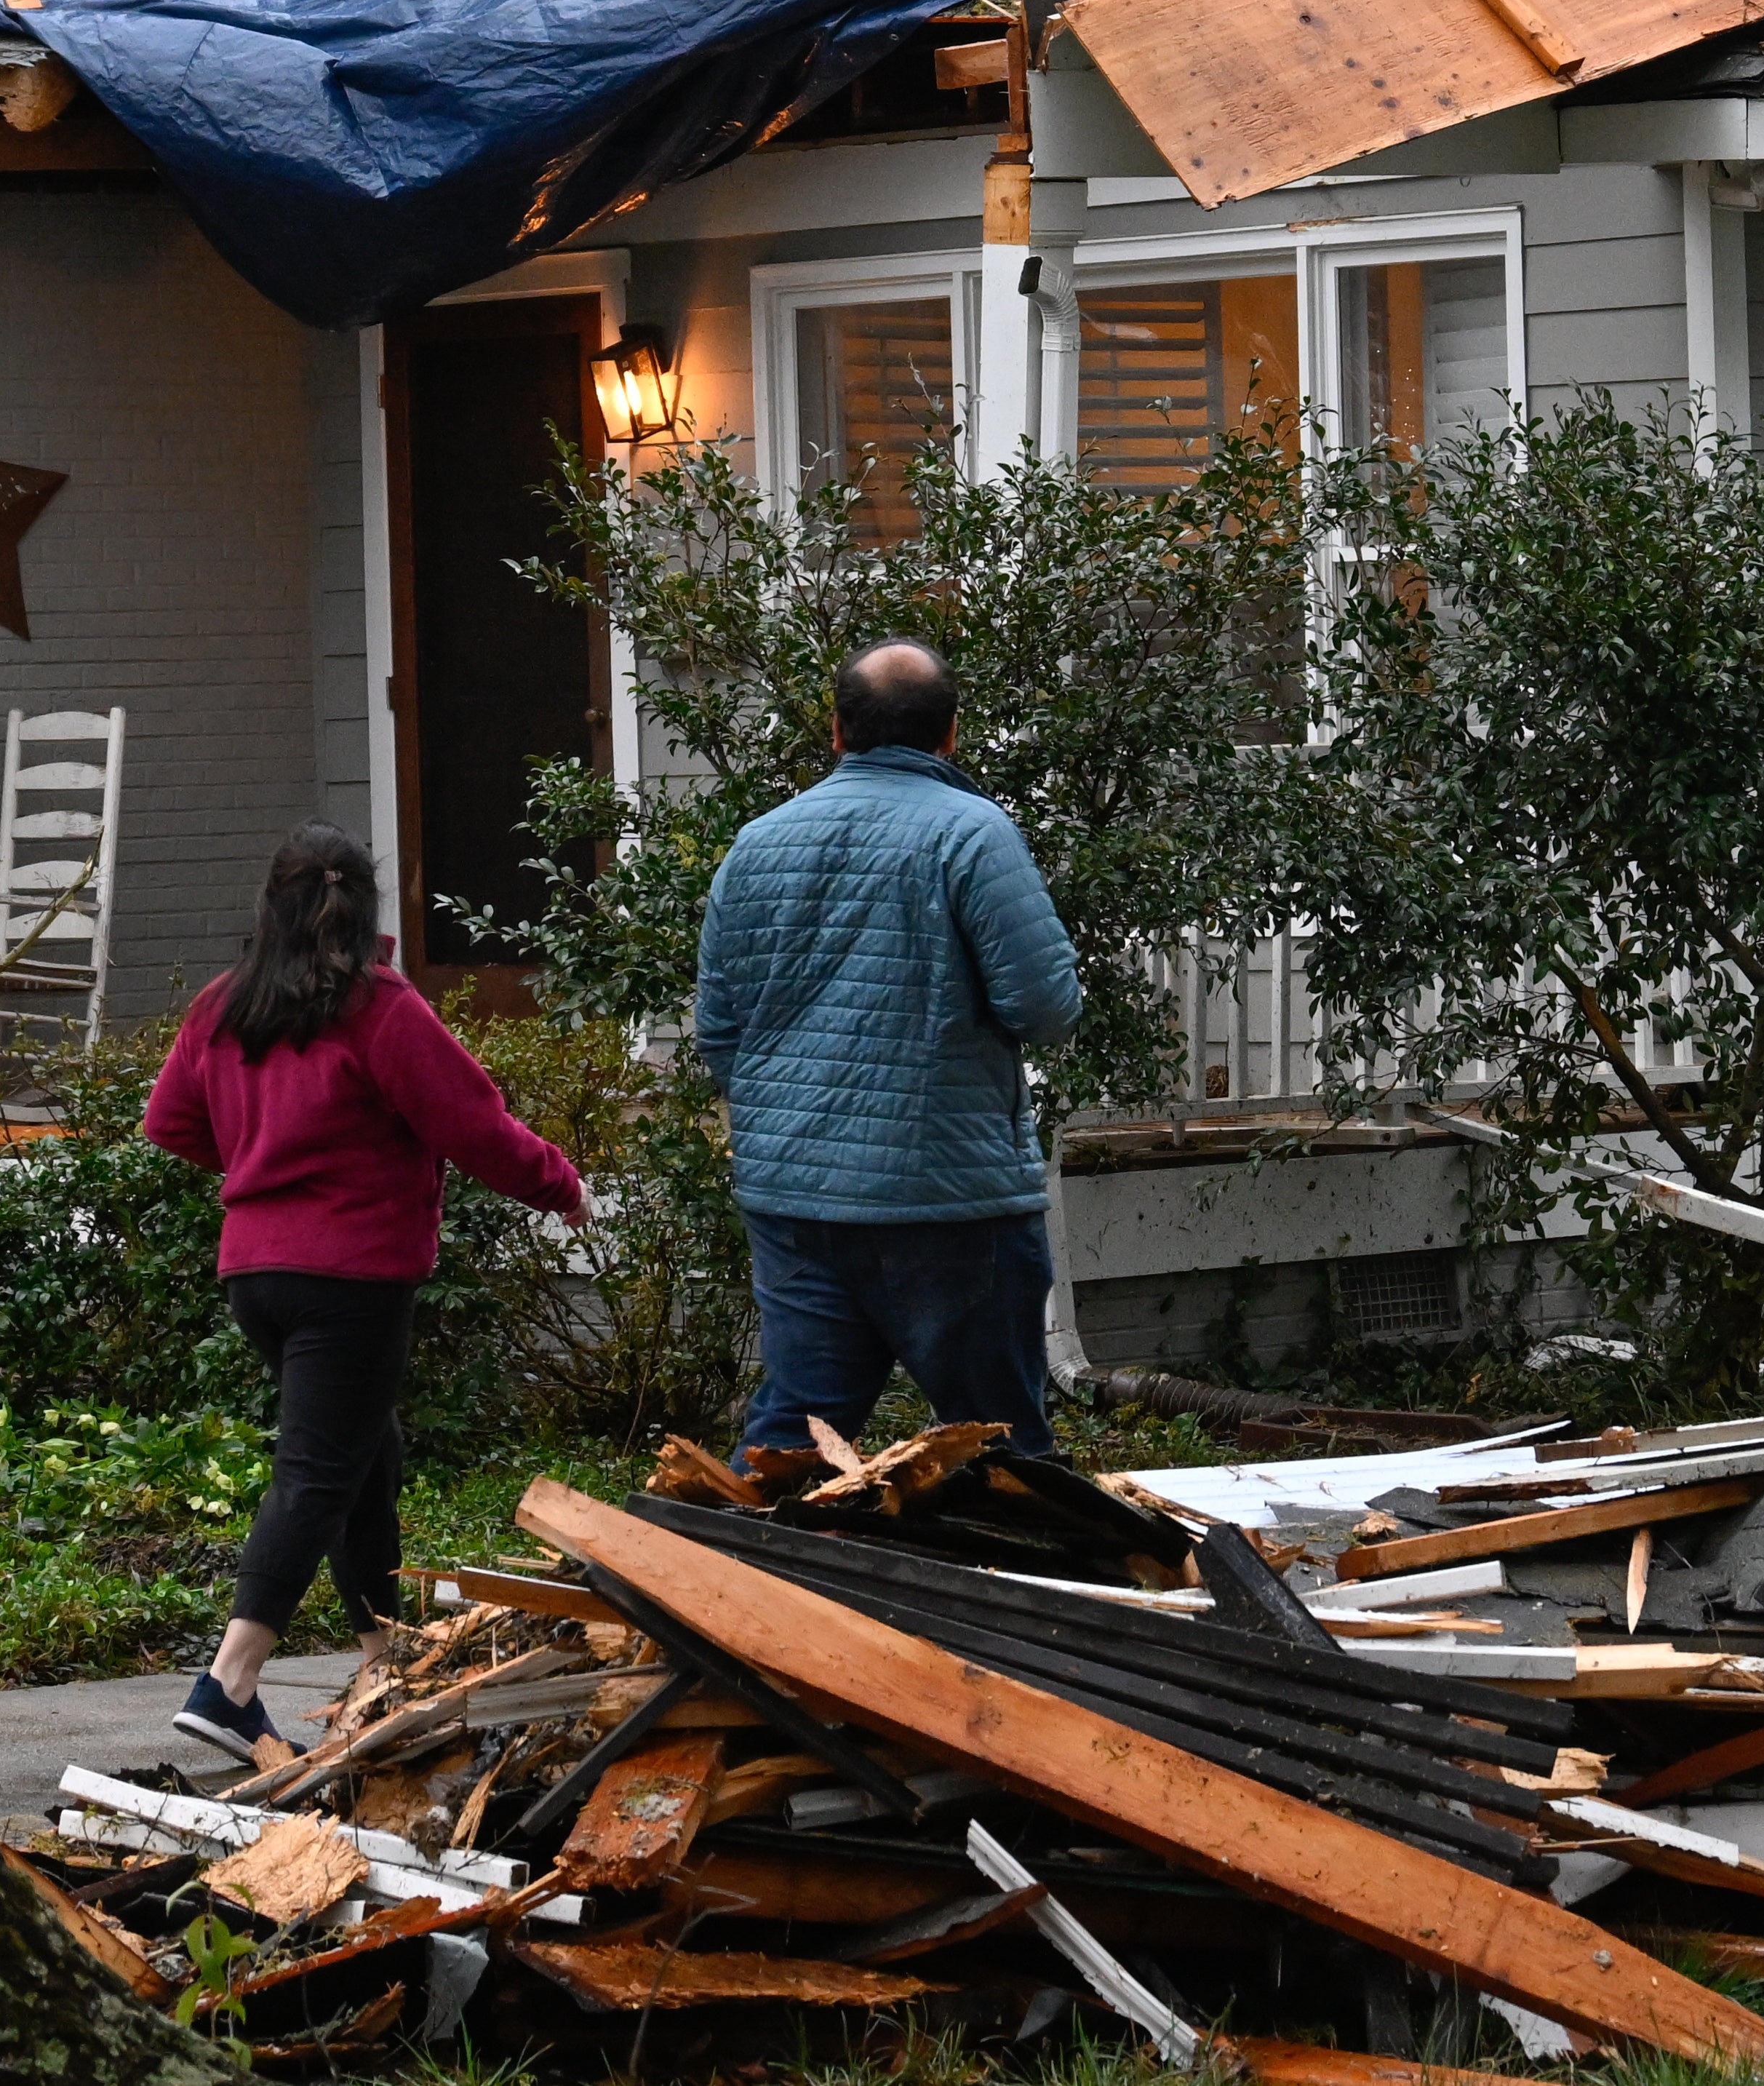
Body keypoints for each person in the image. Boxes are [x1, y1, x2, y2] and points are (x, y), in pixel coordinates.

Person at [140, 824, 583, 1761]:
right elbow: (473, 1123)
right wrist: (558, 1182)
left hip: (257, 1274)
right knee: (318, 1467)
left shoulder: (225, 1005)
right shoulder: (379, 1006)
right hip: (351, 1277)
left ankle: (385, 1661)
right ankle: (230, 1682)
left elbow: (169, 1121)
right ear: (367, 907)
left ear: (272, 906)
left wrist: (264, 1167)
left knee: (362, 1452)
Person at [692, 637, 1087, 1462]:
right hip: (949, 1198)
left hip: (795, 1198)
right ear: (951, 735)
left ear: (836, 730)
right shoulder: (974, 836)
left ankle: (706, 1577)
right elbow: (1046, 1007)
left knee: (793, 1439)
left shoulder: (755, 846)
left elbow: (720, 1032)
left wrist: (790, 1118)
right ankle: (1027, 1586)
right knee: (1003, 1448)